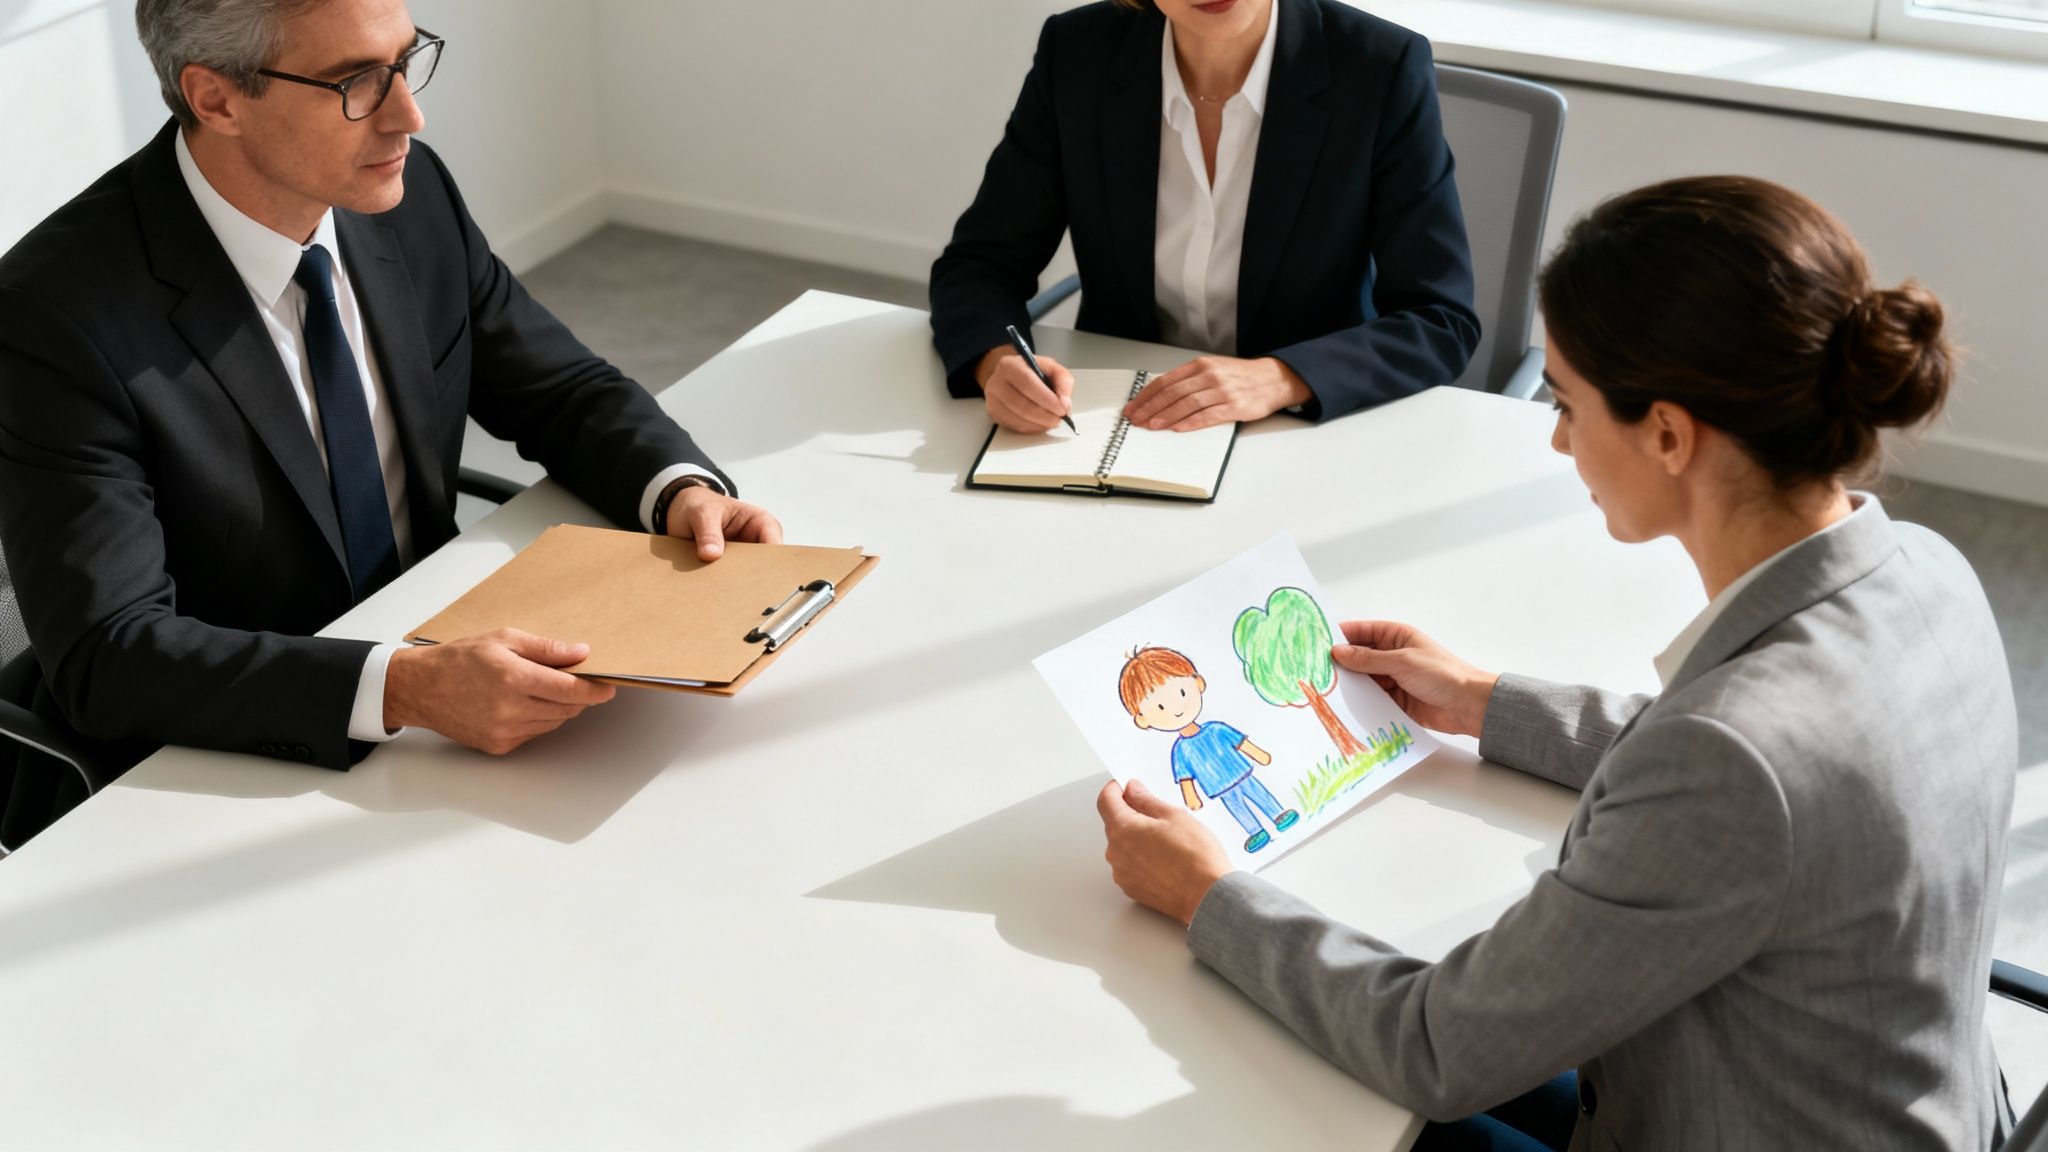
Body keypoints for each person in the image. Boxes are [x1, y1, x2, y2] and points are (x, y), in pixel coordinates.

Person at [1096, 176, 2018, 1149]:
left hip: (1719, 1117)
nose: (1554, 436)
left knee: (1286, 1105)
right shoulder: (1927, 569)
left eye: (1568, 403)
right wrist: (1481, 701)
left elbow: (1434, 1047)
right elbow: (1772, 774)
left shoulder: (1730, 763)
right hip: (1870, 1095)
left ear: (1666, 433)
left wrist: (1206, 895)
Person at [0, 0, 781, 846]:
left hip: (448, 686)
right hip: (215, 769)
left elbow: (558, 386)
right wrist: (404, 688)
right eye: (356, 83)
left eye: (407, 62)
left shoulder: (408, 196)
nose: (409, 113)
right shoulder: (53, 317)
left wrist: (676, 488)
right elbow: (110, 656)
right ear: (216, 99)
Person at [929, 0, 1478, 436]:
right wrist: (997, 362)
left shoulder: (1379, 68)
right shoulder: (1077, 54)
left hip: (1296, 432)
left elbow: (1439, 318)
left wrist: (1281, 378)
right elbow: (981, 265)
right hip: (1119, 423)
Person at [1120, 646, 1298, 853]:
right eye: (1160, 707)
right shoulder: (1180, 751)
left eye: (1182, 692)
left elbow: (1240, 742)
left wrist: (1259, 754)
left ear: (1197, 683)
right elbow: (1185, 778)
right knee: (1235, 806)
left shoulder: (1216, 729)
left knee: (1257, 792)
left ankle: (1277, 814)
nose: (1177, 708)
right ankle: (1255, 830)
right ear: (1142, 720)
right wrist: (1191, 797)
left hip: (1241, 773)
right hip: (1219, 787)